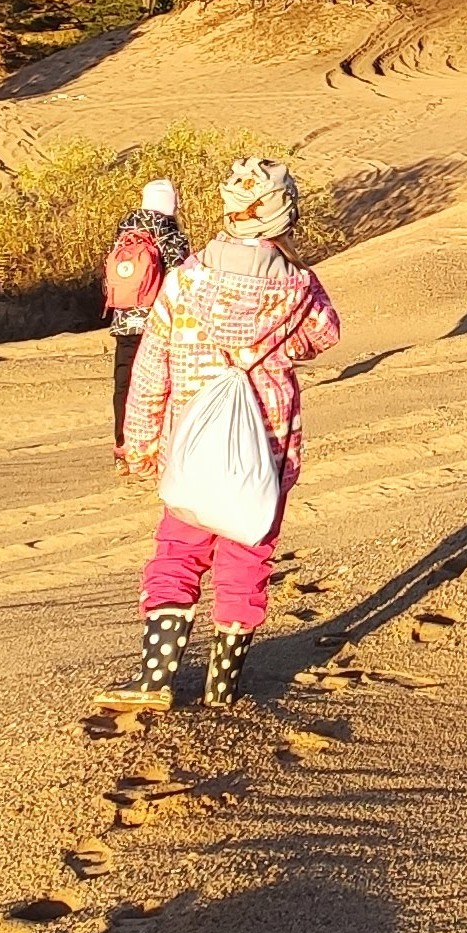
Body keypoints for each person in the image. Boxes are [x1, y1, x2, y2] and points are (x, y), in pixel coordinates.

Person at [100, 157, 340, 711]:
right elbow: (327, 333)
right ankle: (222, 684)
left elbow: (152, 366)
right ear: (284, 216)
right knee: (247, 554)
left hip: (191, 442)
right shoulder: (300, 284)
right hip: (269, 446)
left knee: (177, 553)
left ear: (229, 211)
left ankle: (156, 677)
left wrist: (138, 445)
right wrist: (283, 350)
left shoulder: (186, 281)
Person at [101, 180, 191, 464]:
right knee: (159, 385)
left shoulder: (123, 234)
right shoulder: (171, 236)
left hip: (124, 320)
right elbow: (181, 281)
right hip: (158, 324)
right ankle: (154, 449)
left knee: (124, 383)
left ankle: (122, 445)